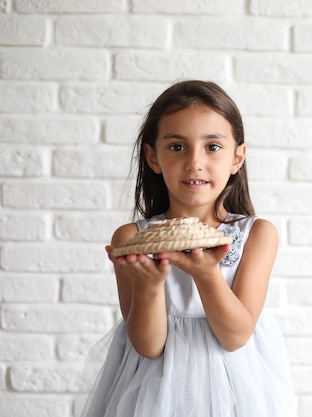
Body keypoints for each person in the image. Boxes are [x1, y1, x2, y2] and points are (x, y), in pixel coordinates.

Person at [81, 80, 296, 417]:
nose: (195, 162)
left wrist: (207, 274)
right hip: (154, 394)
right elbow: (149, 347)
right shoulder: (131, 238)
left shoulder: (256, 234)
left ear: (237, 157)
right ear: (153, 157)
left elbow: (235, 336)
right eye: (177, 147)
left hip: (235, 393)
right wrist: (150, 285)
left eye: (212, 146)